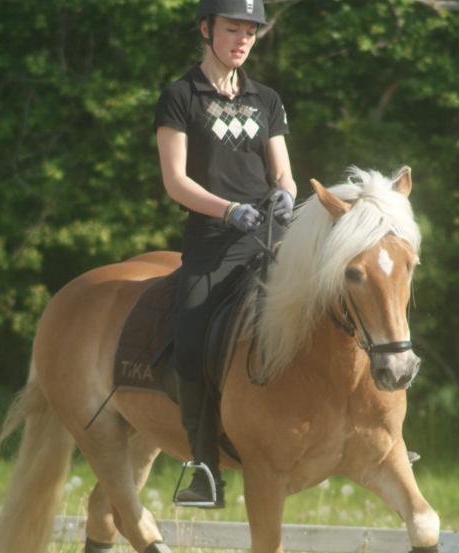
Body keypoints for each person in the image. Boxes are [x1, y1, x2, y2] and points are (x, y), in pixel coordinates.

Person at [155, 0, 297, 508]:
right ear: (206, 28)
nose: (242, 39)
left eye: (250, 32)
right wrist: (228, 210)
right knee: (191, 342)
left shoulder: (267, 99)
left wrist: (285, 193)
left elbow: (282, 171)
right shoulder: (179, 97)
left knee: (342, 301)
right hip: (214, 244)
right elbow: (176, 181)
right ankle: (201, 466)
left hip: (270, 237)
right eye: (232, 28)